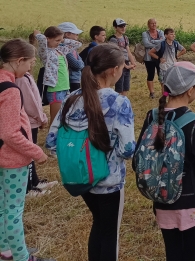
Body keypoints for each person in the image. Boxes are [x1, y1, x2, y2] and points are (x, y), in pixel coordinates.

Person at [45, 44, 136, 261]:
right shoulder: (119, 102)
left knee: (99, 225)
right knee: (109, 234)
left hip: (81, 178)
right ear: (114, 69)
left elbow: (51, 141)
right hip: (109, 181)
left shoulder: (72, 97)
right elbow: (127, 150)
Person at [134, 62, 195, 261]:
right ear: (189, 91)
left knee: (173, 254)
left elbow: (138, 161)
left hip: (162, 202)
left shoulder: (152, 117)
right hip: (192, 204)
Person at [0, 39, 52, 261]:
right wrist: (36, 152)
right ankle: (21, 256)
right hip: (13, 159)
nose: (31, 67)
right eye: (30, 62)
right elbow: (10, 133)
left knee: (3, 206)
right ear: (18, 61)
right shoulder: (10, 90)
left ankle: (5, 248)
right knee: (13, 210)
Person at [14, 69, 57, 198]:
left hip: (32, 121)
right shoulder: (21, 78)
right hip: (29, 121)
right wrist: (41, 118)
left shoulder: (25, 76)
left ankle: (35, 182)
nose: (33, 62)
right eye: (31, 60)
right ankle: (28, 188)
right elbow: (30, 103)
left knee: (31, 154)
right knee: (29, 154)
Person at [33, 26, 81, 123]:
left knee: (63, 117)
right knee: (55, 120)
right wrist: (37, 34)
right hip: (55, 89)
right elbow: (42, 40)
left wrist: (62, 40)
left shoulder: (59, 50)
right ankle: (52, 137)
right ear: (48, 39)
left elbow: (77, 44)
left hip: (65, 88)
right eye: (57, 40)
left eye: (60, 40)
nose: (59, 42)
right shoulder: (45, 53)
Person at [108, 19, 136, 97]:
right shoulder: (113, 39)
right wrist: (125, 66)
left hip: (126, 63)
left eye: (124, 26)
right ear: (115, 27)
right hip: (119, 64)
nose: (123, 28)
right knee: (119, 87)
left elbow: (128, 51)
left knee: (125, 87)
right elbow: (116, 55)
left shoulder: (125, 38)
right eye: (120, 26)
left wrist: (133, 62)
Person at [57, 22, 85, 92]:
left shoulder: (72, 47)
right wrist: (81, 64)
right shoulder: (64, 48)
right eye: (75, 33)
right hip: (71, 80)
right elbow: (78, 65)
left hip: (75, 79)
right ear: (67, 34)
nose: (77, 35)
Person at [142, 18, 165, 99]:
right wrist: (158, 43)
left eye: (155, 23)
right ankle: (152, 93)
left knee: (162, 75)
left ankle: (164, 93)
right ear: (148, 25)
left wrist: (152, 41)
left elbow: (164, 42)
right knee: (150, 74)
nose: (154, 25)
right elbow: (146, 44)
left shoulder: (161, 32)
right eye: (152, 23)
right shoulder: (145, 33)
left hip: (160, 57)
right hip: (149, 58)